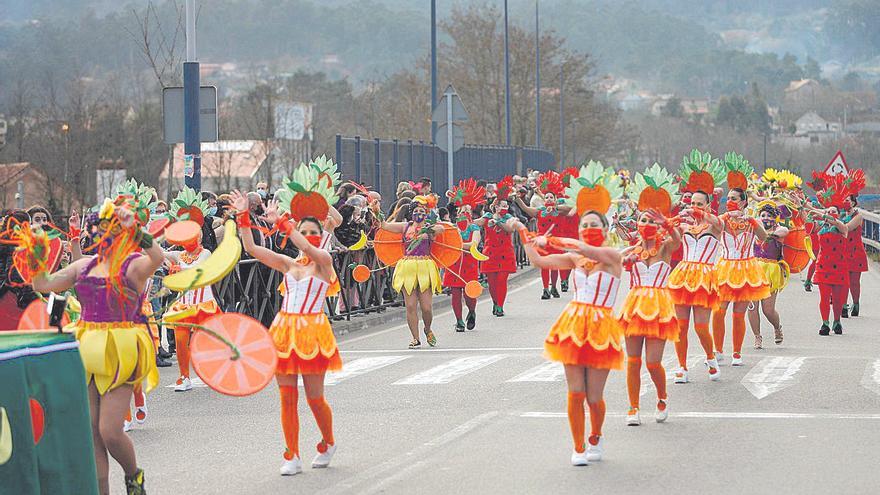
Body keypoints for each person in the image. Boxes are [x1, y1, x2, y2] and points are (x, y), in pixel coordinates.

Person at [32, 196, 162, 494]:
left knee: (110, 430)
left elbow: (157, 259)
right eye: (101, 230)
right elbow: (43, 285)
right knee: (91, 431)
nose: (105, 236)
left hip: (122, 351)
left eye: (112, 230)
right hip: (87, 350)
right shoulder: (83, 266)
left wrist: (138, 231)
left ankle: (133, 476)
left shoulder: (133, 266)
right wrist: (37, 251)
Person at [233, 186, 341, 475]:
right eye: (303, 233)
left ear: (321, 237)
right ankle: (292, 454)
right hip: (284, 330)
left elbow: (309, 249)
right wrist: (244, 216)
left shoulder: (324, 264)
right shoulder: (289, 264)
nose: (307, 237)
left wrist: (285, 223)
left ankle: (328, 441)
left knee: (315, 398)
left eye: (312, 233)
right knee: (286, 396)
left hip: (312, 332)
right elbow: (252, 249)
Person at [523, 209, 622, 466]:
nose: (589, 228)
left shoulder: (611, 256)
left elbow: (589, 251)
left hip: (602, 327)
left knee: (594, 396)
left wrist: (553, 241)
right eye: (585, 225)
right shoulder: (573, 257)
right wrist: (525, 236)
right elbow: (540, 262)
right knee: (575, 392)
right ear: (578, 230)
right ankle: (578, 447)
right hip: (574, 325)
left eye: (594, 224)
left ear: (604, 229)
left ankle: (595, 437)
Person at [617, 165, 681, 426]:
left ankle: (662, 397)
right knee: (632, 360)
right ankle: (633, 407)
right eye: (643, 220)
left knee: (653, 363)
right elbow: (609, 263)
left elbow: (677, 240)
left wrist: (667, 224)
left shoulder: (665, 247)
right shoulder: (631, 249)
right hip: (634, 306)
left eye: (651, 221)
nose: (646, 224)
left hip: (658, 308)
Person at [668, 149, 726, 383]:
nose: (694, 206)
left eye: (699, 203)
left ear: (708, 204)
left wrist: (700, 212)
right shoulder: (685, 226)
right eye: (692, 202)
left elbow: (716, 222)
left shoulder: (715, 224)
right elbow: (669, 234)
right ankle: (682, 367)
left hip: (704, 277)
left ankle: (711, 358)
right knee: (680, 326)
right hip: (683, 275)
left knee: (701, 327)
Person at [164, 187, 220, 392]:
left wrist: (180, 268)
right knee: (180, 340)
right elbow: (160, 253)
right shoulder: (178, 255)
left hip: (203, 303)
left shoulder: (205, 253)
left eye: (194, 237)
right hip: (184, 304)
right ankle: (184, 376)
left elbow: (194, 270)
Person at [711, 185, 771, 367]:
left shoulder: (751, 221)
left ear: (744, 202)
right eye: (728, 198)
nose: (729, 201)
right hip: (725, 268)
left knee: (738, 314)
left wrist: (752, 221)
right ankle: (719, 351)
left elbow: (764, 237)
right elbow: (708, 225)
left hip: (746, 269)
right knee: (719, 310)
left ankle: (737, 353)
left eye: (734, 198)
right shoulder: (722, 220)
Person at [374, 195, 445, 348]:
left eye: (422, 211)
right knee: (411, 306)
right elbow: (384, 225)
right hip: (407, 267)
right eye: (416, 210)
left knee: (426, 307)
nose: (419, 213)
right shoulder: (405, 227)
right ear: (411, 212)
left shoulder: (429, 227)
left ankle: (427, 329)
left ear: (426, 213)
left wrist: (430, 229)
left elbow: (442, 228)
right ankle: (415, 337)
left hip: (425, 267)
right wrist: (377, 211)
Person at [444, 179, 486, 331]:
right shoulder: (452, 228)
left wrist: (457, 245)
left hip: (469, 263)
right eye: (462, 211)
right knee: (455, 292)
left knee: (469, 293)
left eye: (467, 211)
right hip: (454, 263)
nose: (464, 214)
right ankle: (459, 321)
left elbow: (473, 244)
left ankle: (472, 311)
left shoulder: (474, 228)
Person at [749, 201, 790, 348]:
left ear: (775, 218)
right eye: (763, 215)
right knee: (752, 306)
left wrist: (763, 231)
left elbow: (780, 233)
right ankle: (757, 337)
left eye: (769, 215)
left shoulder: (781, 229)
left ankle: (777, 327)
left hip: (771, 271)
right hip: (754, 269)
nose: (766, 218)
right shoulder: (753, 228)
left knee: (768, 309)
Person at [474, 198, 522, 317]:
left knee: (502, 280)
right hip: (490, 252)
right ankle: (495, 302)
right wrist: (465, 217)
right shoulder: (487, 216)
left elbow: (510, 229)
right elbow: (478, 222)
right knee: (492, 282)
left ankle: (500, 306)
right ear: (496, 207)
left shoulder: (510, 218)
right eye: (502, 206)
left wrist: (498, 222)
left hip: (505, 252)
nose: (505, 208)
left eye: (506, 206)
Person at [842, 194, 867, 318]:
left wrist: (834, 222)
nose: (844, 202)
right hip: (843, 252)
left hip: (856, 251)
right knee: (843, 280)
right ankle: (843, 306)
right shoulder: (841, 215)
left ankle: (856, 304)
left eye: (847, 200)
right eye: (843, 200)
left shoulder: (858, 216)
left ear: (853, 202)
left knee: (854, 282)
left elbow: (847, 228)